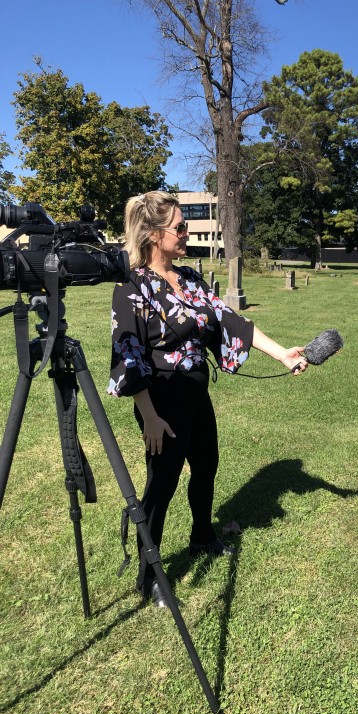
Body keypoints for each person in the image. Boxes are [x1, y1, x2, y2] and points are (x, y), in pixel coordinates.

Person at [108, 191, 307, 607]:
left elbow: (232, 321)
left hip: (197, 396)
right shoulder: (132, 288)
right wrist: (148, 417)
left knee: (206, 468)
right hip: (161, 404)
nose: (187, 233)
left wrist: (284, 352)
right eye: (180, 227)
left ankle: (202, 536)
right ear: (152, 234)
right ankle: (151, 575)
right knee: (160, 486)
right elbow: (130, 355)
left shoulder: (191, 280)